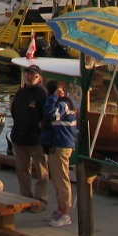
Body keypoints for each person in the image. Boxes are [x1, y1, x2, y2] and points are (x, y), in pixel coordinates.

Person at [10, 65, 49, 211]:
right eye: (28, 74)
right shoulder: (21, 92)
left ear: (40, 78)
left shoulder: (42, 94)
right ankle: (25, 198)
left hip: (36, 140)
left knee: (42, 172)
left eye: (33, 75)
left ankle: (41, 200)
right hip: (19, 139)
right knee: (22, 172)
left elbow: (47, 115)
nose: (30, 77)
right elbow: (13, 111)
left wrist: (42, 125)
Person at [41, 79, 78, 228]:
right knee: (57, 180)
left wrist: (54, 97)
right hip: (55, 145)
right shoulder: (65, 102)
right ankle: (60, 210)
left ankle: (65, 214)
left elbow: (51, 113)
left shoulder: (64, 104)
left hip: (62, 146)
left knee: (62, 180)